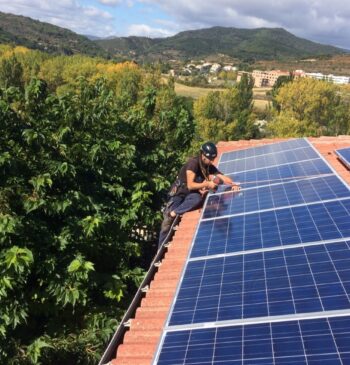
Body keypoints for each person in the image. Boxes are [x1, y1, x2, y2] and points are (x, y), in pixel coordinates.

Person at [158, 141, 240, 247]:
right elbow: (190, 185)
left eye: (213, 159)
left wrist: (233, 184)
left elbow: (223, 177)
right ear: (203, 155)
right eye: (210, 159)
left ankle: (175, 212)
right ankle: (161, 247)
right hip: (179, 193)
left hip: (191, 195)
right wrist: (207, 184)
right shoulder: (193, 163)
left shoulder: (208, 166)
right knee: (167, 222)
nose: (211, 162)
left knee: (197, 199)